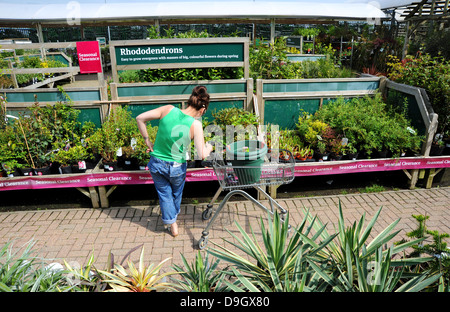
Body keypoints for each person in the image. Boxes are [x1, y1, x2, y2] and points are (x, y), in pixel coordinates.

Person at [136, 86, 213, 237]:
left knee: (164, 194)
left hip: (157, 163)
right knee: (176, 194)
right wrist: (209, 147)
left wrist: (148, 142)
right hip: (177, 167)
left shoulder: (168, 109)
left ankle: (172, 223)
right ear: (202, 110)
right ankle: (172, 220)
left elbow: (140, 118)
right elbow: (202, 155)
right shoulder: (195, 125)